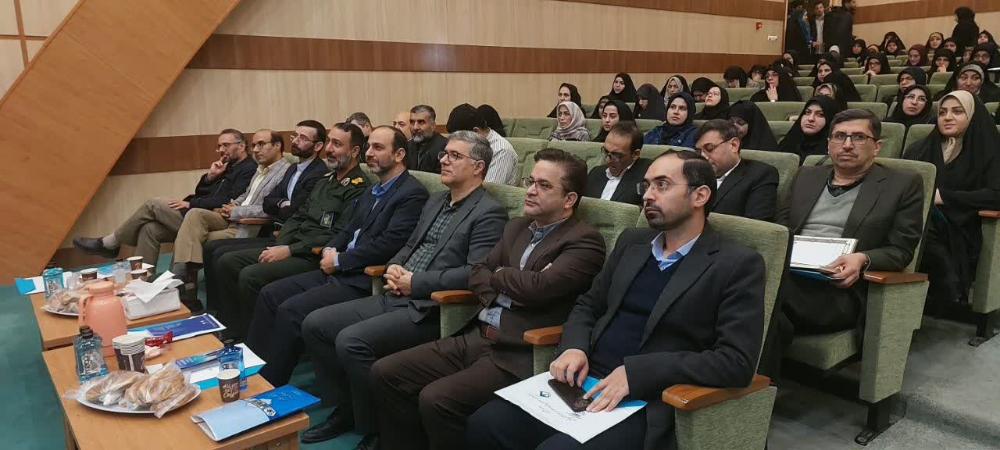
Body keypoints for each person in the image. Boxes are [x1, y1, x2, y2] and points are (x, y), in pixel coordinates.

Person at [466, 150, 767, 450]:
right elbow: (588, 305)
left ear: (700, 195)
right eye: (646, 186)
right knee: (486, 423)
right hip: (585, 379)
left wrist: (637, 374)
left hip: (649, 397)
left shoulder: (736, 264)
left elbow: (736, 362)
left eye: (662, 185)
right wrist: (574, 346)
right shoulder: (632, 243)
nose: (647, 195)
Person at [372, 148, 607, 450]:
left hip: (518, 351)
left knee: (436, 398)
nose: (530, 190)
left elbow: (539, 288)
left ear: (569, 199)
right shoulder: (517, 227)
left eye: (544, 185)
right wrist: (510, 280)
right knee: (386, 372)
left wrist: (500, 275)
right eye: (531, 181)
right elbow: (477, 273)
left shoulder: (584, 241)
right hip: (477, 335)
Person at [298, 131, 507, 446]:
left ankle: (376, 425)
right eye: (444, 153)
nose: (444, 160)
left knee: (351, 342)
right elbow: (410, 245)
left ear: (478, 167)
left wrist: (416, 283)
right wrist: (395, 266)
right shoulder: (436, 200)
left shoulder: (488, 211)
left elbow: (474, 272)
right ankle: (351, 409)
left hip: (433, 307)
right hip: (396, 291)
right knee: (316, 324)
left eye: (455, 156)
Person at [245, 126, 429, 387]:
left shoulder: (411, 193)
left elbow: (388, 245)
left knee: (290, 310)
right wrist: (330, 250)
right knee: (270, 294)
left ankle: (267, 384)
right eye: (369, 146)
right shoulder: (374, 189)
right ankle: (249, 368)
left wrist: (340, 260)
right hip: (338, 267)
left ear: (399, 154)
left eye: (378, 148)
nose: (369, 153)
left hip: (363, 277)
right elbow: (348, 229)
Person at [762, 109, 924, 378]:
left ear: (877, 146)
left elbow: (901, 249)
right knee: (762, 308)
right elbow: (781, 228)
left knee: (754, 298)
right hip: (790, 274)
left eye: (858, 137)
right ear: (829, 144)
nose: (847, 144)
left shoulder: (902, 184)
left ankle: (747, 394)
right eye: (839, 136)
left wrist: (862, 259)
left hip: (838, 290)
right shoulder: (806, 176)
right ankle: (755, 390)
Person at [211, 123, 370, 338]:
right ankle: (234, 327)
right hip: (292, 243)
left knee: (250, 275)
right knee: (228, 261)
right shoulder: (326, 181)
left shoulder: (358, 187)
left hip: (313, 254)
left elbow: (337, 234)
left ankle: (251, 336)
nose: (329, 149)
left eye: (337, 144)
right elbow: (298, 216)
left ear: (355, 151)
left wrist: (289, 250)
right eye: (329, 142)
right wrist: (281, 245)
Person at [73, 129, 256, 268]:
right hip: (197, 212)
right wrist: (210, 177)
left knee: (154, 203)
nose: (221, 150)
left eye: (226, 145)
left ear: (241, 146)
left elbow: (228, 200)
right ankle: (143, 282)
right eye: (219, 146)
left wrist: (190, 203)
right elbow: (201, 192)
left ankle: (111, 243)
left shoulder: (248, 169)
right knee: (149, 229)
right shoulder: (226, 166)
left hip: (213, 219)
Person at [202, 121, 329, 312]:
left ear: (318, 146)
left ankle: (234, 320)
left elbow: (296, 209)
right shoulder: (293, 168)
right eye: (294, 136)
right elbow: (269, 201)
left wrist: (280, 204)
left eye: (303, 138)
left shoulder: (319, 173)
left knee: (227, 259)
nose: (295, 141)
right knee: (213, 249)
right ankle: (216, 311)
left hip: (286, 235)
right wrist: (282, 203)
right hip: (278, 230)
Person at [903, 91, 1000, 307]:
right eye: (942, 112)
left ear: (972, 116)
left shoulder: (991, 150)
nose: (947, 117)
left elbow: (996, 194)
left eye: (957, 112)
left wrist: (944, 197)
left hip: (965, 225)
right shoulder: (919, 148)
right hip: (919, 216)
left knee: (919, 221)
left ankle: (948, 288)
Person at [170, 129, 290, 295]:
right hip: (232, 217)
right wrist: (232, 205)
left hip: (247, 225)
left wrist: (236, 211)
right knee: (194, 216)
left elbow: (269, 208)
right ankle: (181, 283)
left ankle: (181, 284)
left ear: (277, 146)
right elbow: (246, 195)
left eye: (261, 144)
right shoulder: (261, 168)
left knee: (189, 237)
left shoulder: (285, 172)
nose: (255, 150)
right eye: (254, 145)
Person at [695, 119, 778, 222]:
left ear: (734, 145)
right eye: (698, 151)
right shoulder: (694, 173)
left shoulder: (761, 174)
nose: (703, 156)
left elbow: (756, 226)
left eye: (709, 148)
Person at [447, 103, 518, 185]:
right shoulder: (471, 146)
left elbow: (489, 189)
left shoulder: (501, 151)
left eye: (460, 138)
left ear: (475, 132)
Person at [585, 122, 652, 206]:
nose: (608, 160)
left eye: (616, 155)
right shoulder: (595, 173)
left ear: (635, 154)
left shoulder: (648, 175)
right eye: (606, 151)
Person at [778, 96, 845, 164]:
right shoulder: (788, 143)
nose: (810, 119)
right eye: (807, 112)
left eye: (820, 114)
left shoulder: (835, 152)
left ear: (830, 120)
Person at [408, 104, 448, 174]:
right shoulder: (407, 146)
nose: (415, 127)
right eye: (412, 122)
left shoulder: (445, 147)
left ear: (433, 126)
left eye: (421, 122)